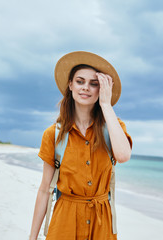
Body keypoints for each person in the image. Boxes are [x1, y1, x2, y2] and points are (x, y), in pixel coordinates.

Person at [29, 51, 132, 240]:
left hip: (102, 225)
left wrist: (106, 105)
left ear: (102, 89)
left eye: (94, 84)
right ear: (70, 85)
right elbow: (45, 189)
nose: (86, 88)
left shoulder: (113, 128)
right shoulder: (53, 134)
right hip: (64, 223)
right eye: (80, 81)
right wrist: (32, 237)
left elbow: (124, 156)